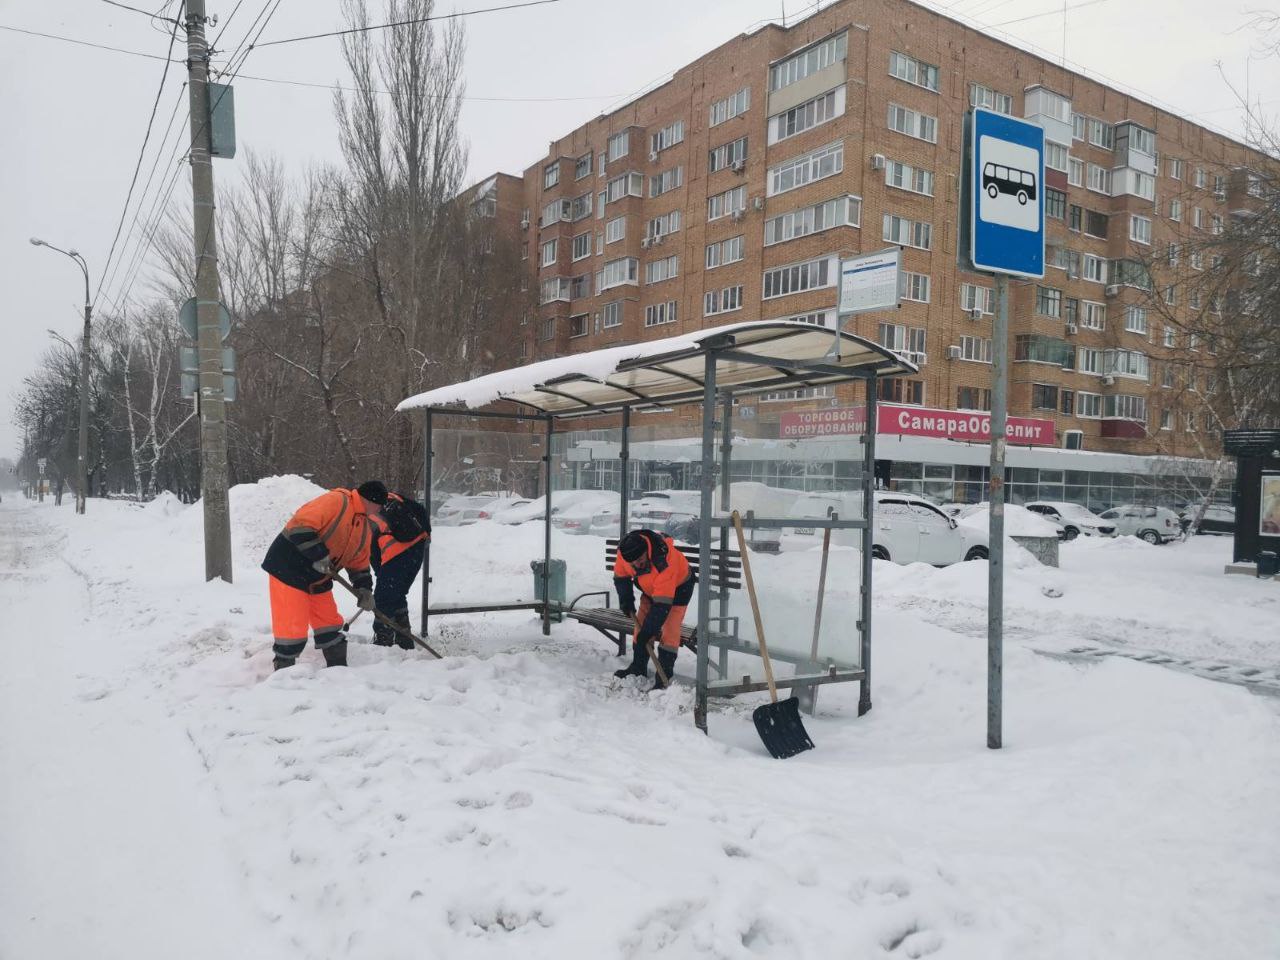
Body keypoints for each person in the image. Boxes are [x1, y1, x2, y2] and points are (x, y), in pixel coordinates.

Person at [260, 480, 387, 671]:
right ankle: (284, 670)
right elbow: (300, 526)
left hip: (319, 576)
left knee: (328, 621)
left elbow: (358, 562)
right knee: (292, 623)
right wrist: (319, 555)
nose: (379, 511)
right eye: (380, 506)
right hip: (288, 567)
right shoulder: (337, 501)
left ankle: (337, 668)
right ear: (372, 501)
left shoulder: (363, 526)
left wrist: (365, 589)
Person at [612, 529, 696, 690]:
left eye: (640, 560)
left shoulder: (664, 562)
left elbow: (661, 607)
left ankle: (664, 674)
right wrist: (626, 600)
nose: (637, 565)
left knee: (670, 627)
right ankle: (638, 667)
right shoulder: (624, 555)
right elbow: (621, 578)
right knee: (641, 622)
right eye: (633, 563)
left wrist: (648, 632)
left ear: (647, 551)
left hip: (679, 588)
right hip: (651, 588)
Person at [370, 490, 431, 649]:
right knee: (396, 594)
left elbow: (370, 553)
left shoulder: (362, 516)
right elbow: (420, 510)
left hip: (397, 552)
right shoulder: (391, 500)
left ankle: (383, 642)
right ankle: (404, 641)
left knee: (383, 597)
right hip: (418, 545)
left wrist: (380, 574)